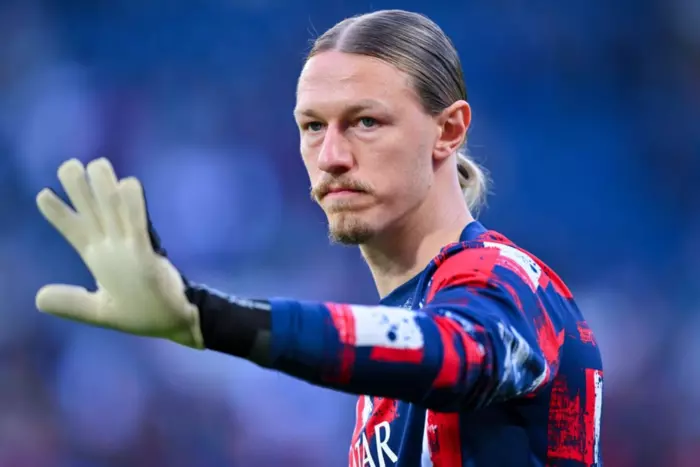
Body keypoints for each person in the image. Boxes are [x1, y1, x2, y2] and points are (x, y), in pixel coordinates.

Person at [34, 9, 604, 467]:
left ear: (448, 130)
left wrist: (208, 318)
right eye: (312, 127)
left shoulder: (505, 280)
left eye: (365, 122)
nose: (330, 157)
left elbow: (455, 351)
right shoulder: (391, 351)